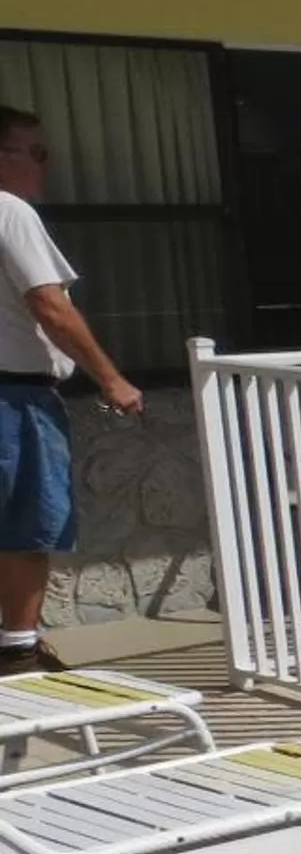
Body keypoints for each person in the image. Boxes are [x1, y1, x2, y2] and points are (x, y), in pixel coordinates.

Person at [0, 107, 143, 673]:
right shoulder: (9, 211)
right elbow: (49, 304)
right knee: (24, 522)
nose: (44, 165)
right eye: (34, 152)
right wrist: (112, 378)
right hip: (12, 396)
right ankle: (18, 652)